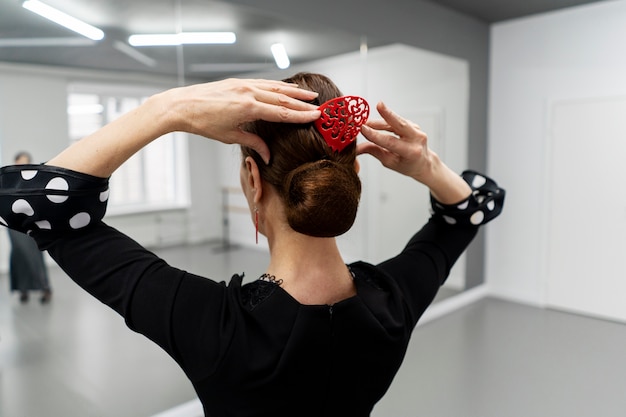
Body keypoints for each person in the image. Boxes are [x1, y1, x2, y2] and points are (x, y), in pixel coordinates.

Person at [0, 73, 504, 416]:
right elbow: (473, 210)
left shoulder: (209, 326)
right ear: (355, 173)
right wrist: (425, 166)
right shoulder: (394, 302)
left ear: (252, 179)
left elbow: (35, 203)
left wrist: (167, 108)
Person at [5, 151, 52, 304]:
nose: (23, 164)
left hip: (31, 222)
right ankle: (22, 289)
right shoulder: (8, 179)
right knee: (18, 255)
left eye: (26, 161)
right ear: (15, 162)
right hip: (13, 223)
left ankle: (45, 288)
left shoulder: (35, 178)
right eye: (20, 162)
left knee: (33, 254)